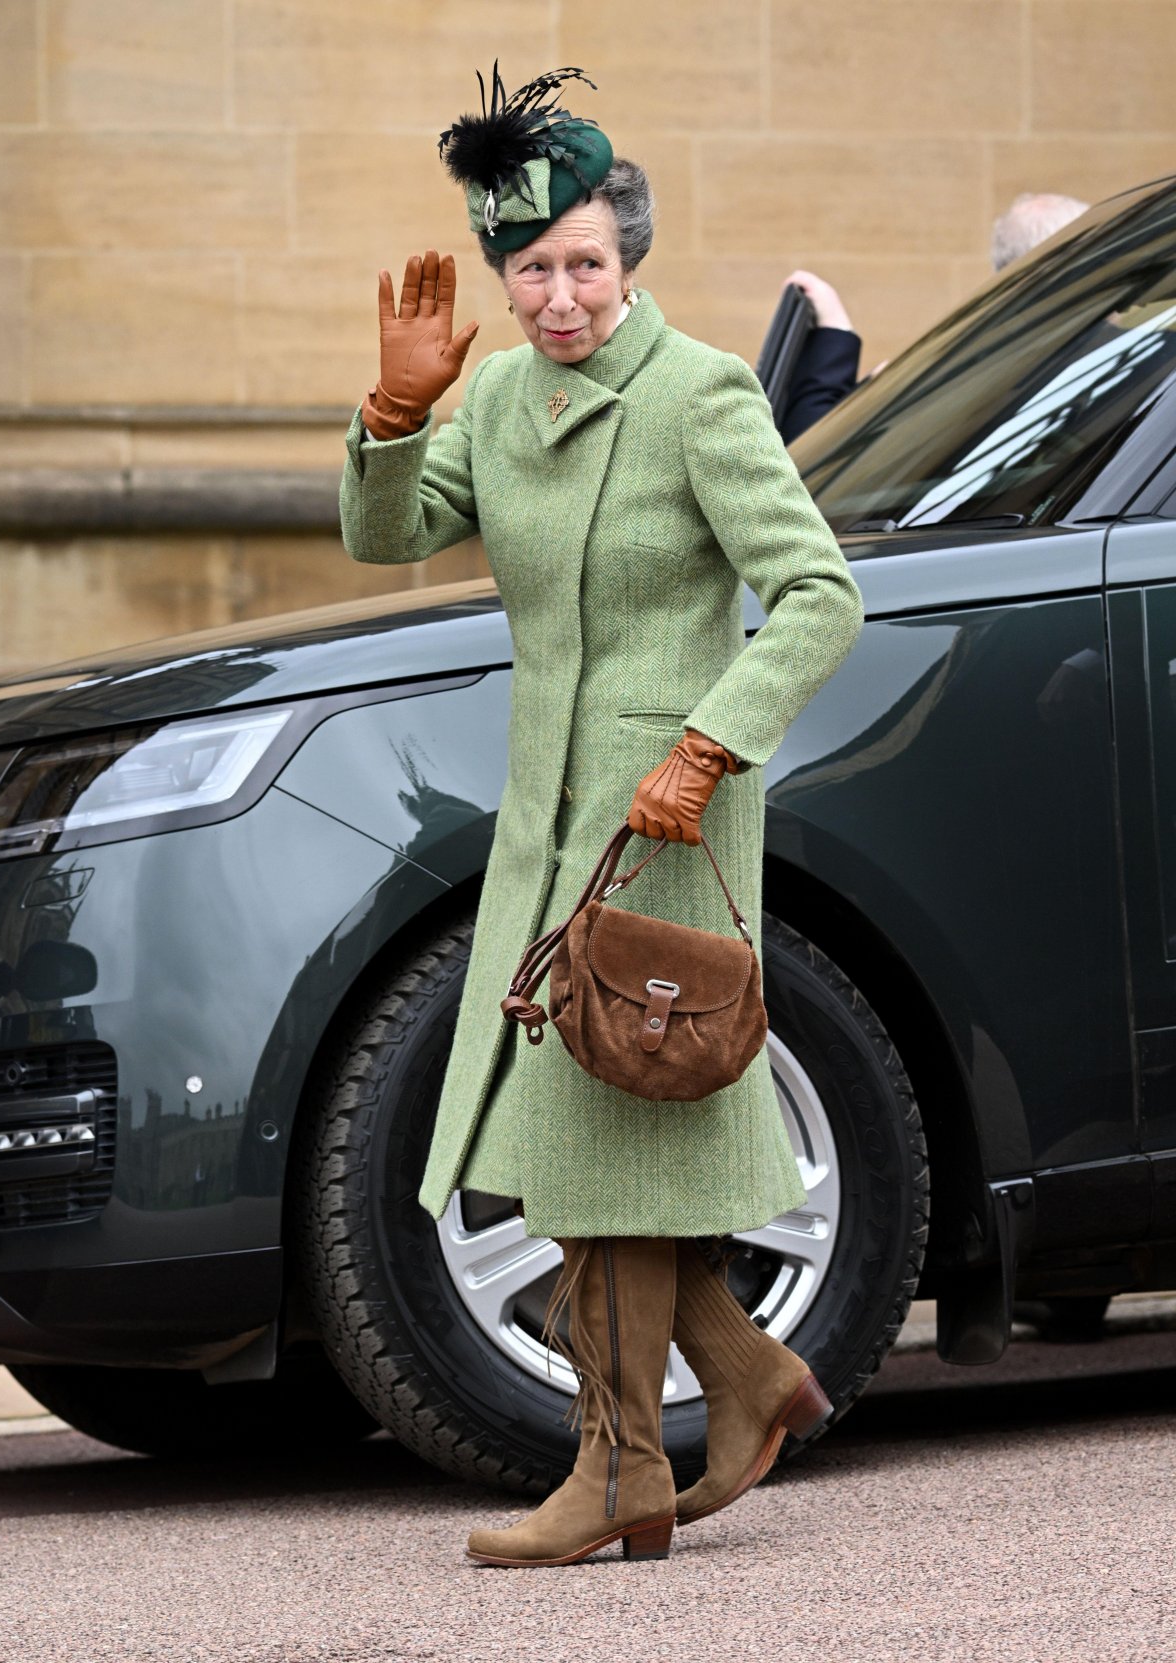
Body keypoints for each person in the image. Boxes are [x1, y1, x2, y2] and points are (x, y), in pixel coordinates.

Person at [339, 64, 863, 1569]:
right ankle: (745, 1381)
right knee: (568, 1140)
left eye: (584, 265)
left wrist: (709, 746)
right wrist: (392, 410)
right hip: (548, 822)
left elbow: (820, 595)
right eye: (532, 271)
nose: (559, 296)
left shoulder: (699, 391)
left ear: (627, 259)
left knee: (602, 1143)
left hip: (669, 829)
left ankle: (621, 1469)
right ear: (500, 281)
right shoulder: (499, 396)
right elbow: (392, 538)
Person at [780, 191, 1091, 442]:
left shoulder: (958, 368)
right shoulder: (1121, 361)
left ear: (1005, 272)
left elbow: (810, 450)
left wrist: (834, 330)